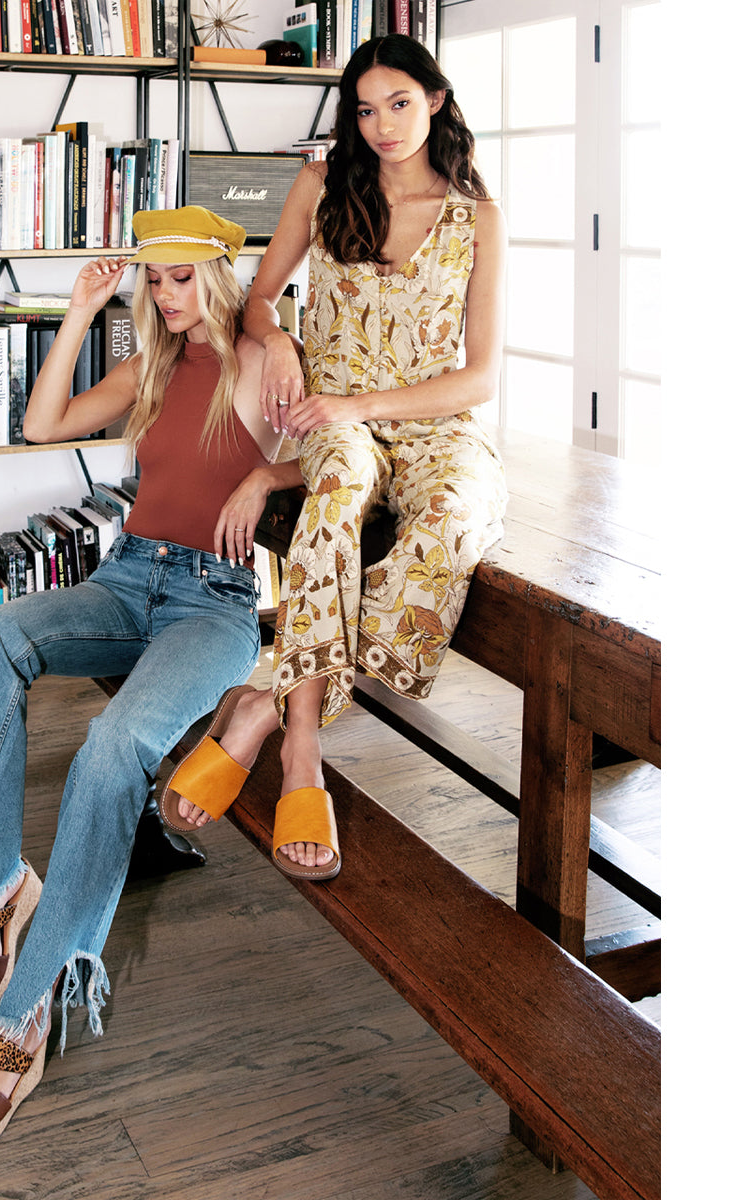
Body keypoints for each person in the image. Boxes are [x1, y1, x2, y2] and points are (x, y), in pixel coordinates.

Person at [0, 205, 293, 1153]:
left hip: (214, 605)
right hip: (127, 579)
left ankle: (24, 1017)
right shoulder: (153, 364)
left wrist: (265, 481)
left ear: (218, 274)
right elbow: (42, 423)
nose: (165, 294)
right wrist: (81, 309)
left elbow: (330, 457)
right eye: (153, 279)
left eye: (181, 277)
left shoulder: (263, 359)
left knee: (114, 746)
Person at [159, 34, 509, 883]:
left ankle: (265, 704)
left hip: (434, 427)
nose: (384, 125)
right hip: (333, 424)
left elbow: (479, 378)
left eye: (400, 103)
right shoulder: (322, 186)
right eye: (366, 109)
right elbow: (257, 301)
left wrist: (365, 405)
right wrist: (279, 342)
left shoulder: (477, 219)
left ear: (436, 100)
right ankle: (302, 750)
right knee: (339, 488)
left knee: (454, 520)